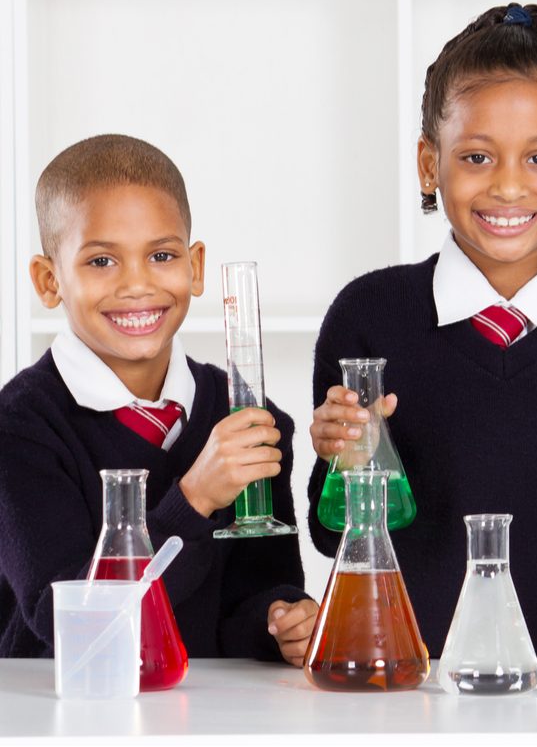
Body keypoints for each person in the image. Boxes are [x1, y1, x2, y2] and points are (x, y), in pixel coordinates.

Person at [308, 3, 537, 658]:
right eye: (476, 157)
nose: (508, 187)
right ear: (430, 165)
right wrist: (348, 461)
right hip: (408, 682)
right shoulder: (369, 316)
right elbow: (328, 528)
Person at [0, 134, 317, 667]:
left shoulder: (248, 420)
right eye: (102, 261)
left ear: (195, 267)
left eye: (162, 255)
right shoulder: (21, 428)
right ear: (49, 280)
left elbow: (249, 599)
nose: (137, 285)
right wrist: (193, 500)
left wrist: (279, 622)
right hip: (61, 715)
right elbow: (72, 626)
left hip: (205, 715)